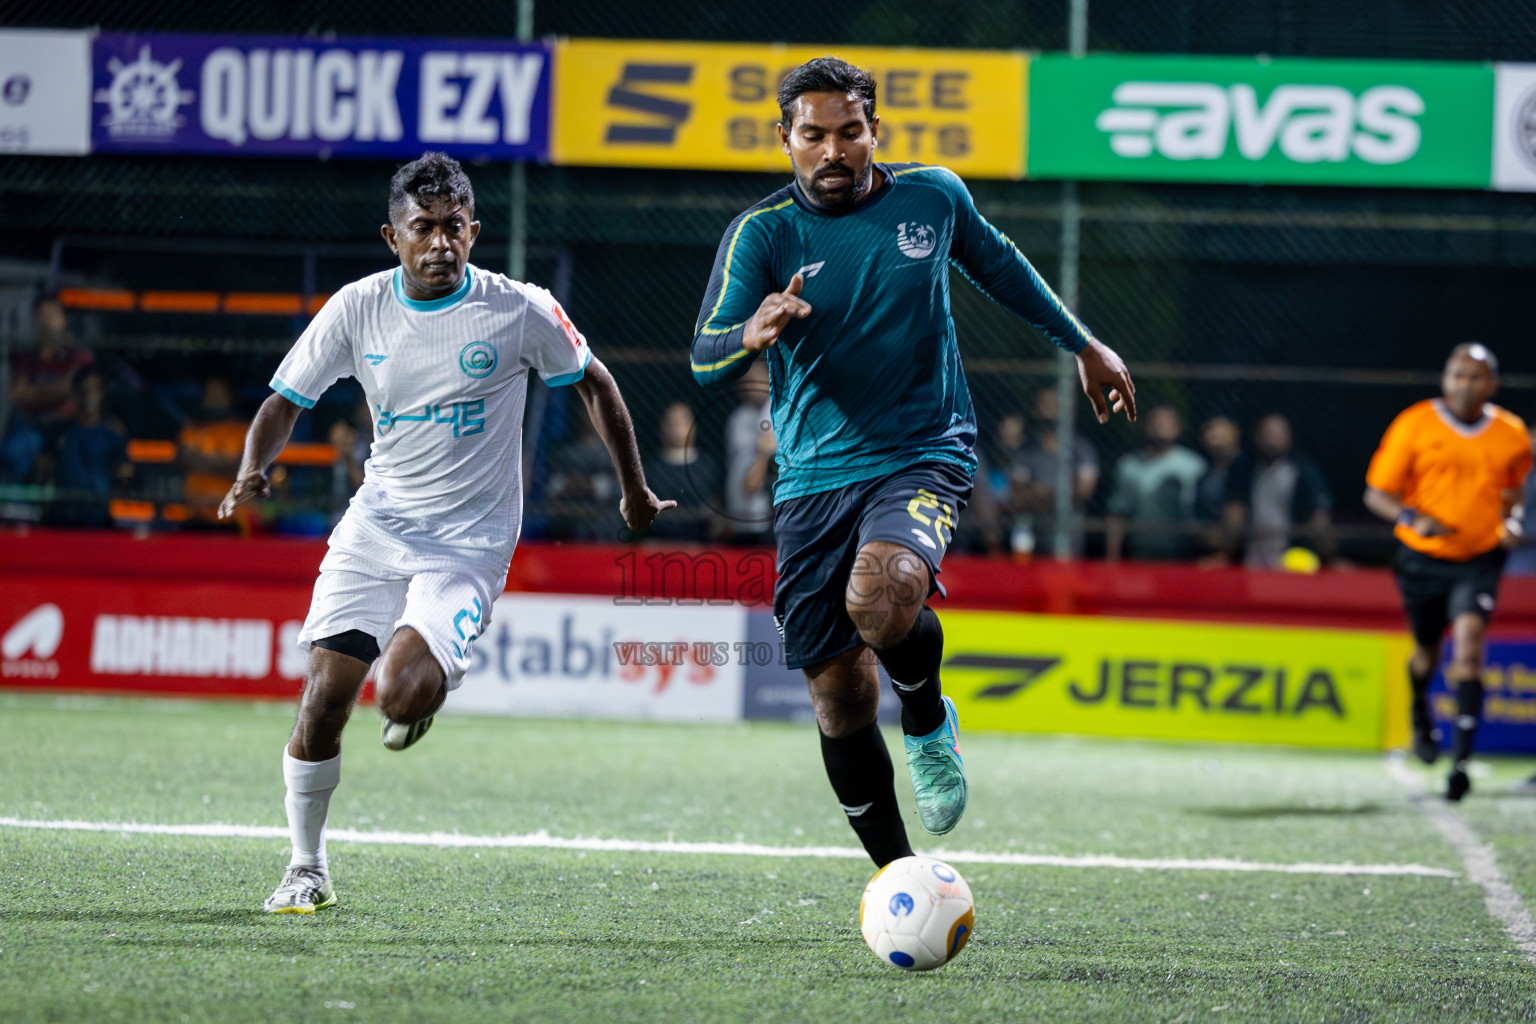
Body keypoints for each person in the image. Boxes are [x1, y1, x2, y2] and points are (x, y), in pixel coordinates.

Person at [689, 58, 1135, 868]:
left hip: (923, 450)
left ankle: (927, 720)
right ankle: (900, 879)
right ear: (784, 139)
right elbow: (703, 357)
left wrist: (1086, 343)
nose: (833, 149)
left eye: (849, 131)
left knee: (884, 595)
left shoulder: (933, 197)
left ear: (874, 132)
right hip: (813, 480)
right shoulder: (762, 234)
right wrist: (749, 334)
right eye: (814, 135)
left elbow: (1000, 266)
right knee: (837, 694)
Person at [218, 152, 671, 914]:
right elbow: (284, 399)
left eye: (453, 227)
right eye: (422, 229)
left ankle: (424, 685)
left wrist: (635, 489)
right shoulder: (357, 309)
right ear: (391, 236)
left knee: (397, 695)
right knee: (325, 700)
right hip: (378, 525)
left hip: (469, 542)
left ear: (474, 228)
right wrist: (250, 470)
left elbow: (597, 384)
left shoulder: (518, 308)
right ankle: (306, 867)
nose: (440, 244)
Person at [1364, 343, 1530, 801]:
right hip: (1423, 557)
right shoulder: (1415, 423)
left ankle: (1460, 762)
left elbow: (1513, 496)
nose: (1464, 384)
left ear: (1491, 384)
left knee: (1470, 647)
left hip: (1479, 557)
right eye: (1457, 375)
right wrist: (1411, 518)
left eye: (1474, 377)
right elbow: (1377, 494)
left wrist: (1513, 523)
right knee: (1426, 652)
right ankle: (1419, 708)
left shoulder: (1512, 434)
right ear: (1445, 379)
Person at [1222, 413, 1334, 569]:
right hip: (1252, 556)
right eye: (1267, 435)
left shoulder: (1304, 471)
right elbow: (1234, 511)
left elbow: (1318, 515)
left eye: (1277, 435)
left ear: (1289, 437)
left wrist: (1328, 556)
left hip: (1294, 558)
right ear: (1257, 436)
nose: (1272, 441)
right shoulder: (1245, 470)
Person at [1105, 405, 1205, 562]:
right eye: (1155, 422)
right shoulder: (1129, 466)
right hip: (1140, 552)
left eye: (1166, 423)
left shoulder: (1194, 466)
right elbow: (1118, 514)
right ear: (1145, 426)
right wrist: (1112, 558)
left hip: (1183, 554)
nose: (1160, 427)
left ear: (1177, 428)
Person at [54, 371, 127, 526]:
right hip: (64, 518)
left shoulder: (114, 432)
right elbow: (45, 473)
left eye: (95, 390)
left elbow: (124, 475)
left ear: (103, 393)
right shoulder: (62, 432)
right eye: (84, 390)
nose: (90, 396)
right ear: (76, 394)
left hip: (101, 518)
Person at [643, 401, 720, 541]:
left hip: (699, 544)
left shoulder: (708, 467)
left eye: (682, 421)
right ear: (662, 427)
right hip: (658, 544)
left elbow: (716, 506)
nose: (676, 427)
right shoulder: (650, 470)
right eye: (671, 422)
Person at [178, 376, 249, 524]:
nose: (213, 398)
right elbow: (185, 461)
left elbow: (240, 467)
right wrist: (222, 462)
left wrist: (203, 461)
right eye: (210, 393)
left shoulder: (242, 431)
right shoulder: (194, 429)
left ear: (230, 396)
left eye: (218, 393)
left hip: (232, 517)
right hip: (194, 513)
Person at [723, 360, 776, 544]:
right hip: (739, 513)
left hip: (767, 514)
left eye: (755, 378)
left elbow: (754, 481)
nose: (750, 385)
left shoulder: (776, 409)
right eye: (746, 380)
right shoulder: (738, 418)